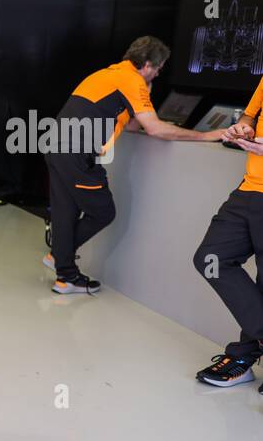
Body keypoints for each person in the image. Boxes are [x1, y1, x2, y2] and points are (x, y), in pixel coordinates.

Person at [45, 36, 224, 295]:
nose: (160, 73)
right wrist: (206, 135)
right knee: (102, 211)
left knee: (65, 212)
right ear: (149, 64)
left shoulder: (110, 74)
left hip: (56, 146)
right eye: (160, 68)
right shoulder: (131, 80)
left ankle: (63, 272)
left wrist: (146, 96)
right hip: (75, 152)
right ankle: (63, 264)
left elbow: (131, 124)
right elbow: (154, 128)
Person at [192, 74, 263, 389]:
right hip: (250, 188)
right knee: (211, 257)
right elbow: (251, 114)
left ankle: (244, 356)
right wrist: (244, 127)